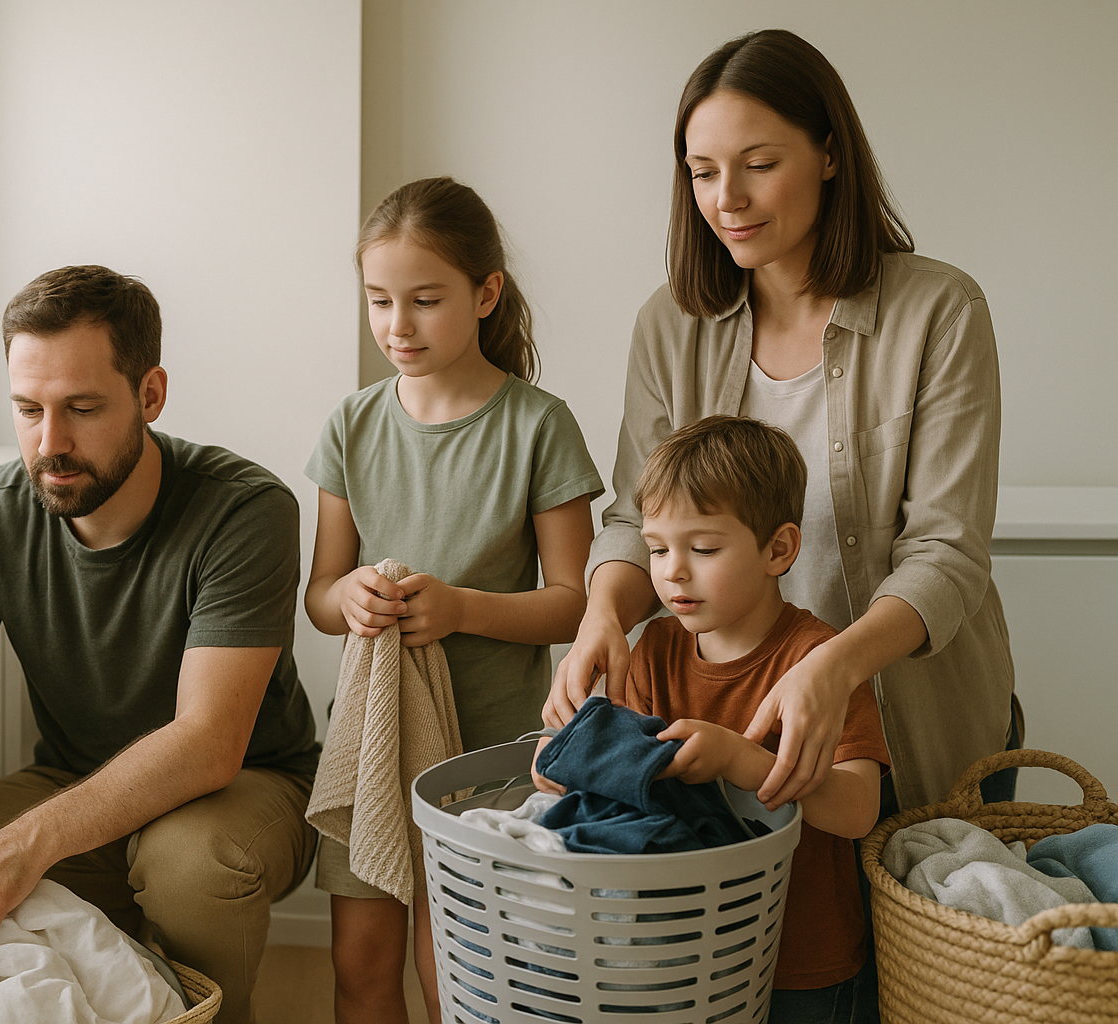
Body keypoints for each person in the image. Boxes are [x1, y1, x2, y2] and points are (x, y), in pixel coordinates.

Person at [546, 28, 1016, 819]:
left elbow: (947, 552)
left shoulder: (939, 310)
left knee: (887, 945)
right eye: (702, 172)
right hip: (739, 733)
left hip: (912, 726)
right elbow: (635, 514)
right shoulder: (671, 325)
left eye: (759, 165)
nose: (727, 197)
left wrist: (833, 667)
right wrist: (604, 614)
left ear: (830, 154)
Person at [0, 265, 321, 1024]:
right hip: (76, 775)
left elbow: (209, 743)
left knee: (189, 867)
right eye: (28, 409)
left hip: (248, 786)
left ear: (151, 395)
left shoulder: (244, 509)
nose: (51, 442)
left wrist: (28, 844)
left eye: (82, 408)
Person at [303, 176, 602, 1023]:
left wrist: (463, 609)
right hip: (373, 743)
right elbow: (319, 595)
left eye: (425, 301)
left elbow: (575, 604)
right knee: (359, 966)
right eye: (379, 301)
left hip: (492, 756)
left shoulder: (537, 425)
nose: (398, 326)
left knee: (463, 971)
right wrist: (351, 598)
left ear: (485, 293)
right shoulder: (351, 427)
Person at [535, 415, 890, 1023]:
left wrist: (739, 761)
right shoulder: (654, 650)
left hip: (801, 958)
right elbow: (627, 796)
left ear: (778, 549)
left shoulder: (816, 660)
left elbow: (860, 811)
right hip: (683, 956)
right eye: (656, 548)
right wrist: (568, 761)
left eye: (702, 548)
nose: (672, 570)